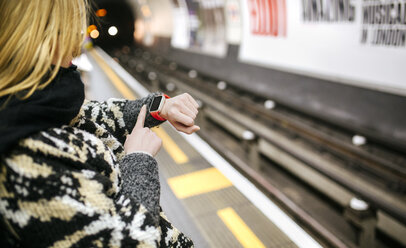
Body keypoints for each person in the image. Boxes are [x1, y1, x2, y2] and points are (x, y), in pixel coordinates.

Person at [0, 0, 199, 247]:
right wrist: (138, 160)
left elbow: (88, 116)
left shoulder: (30, 100)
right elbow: (133, 242)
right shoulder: (27, 161)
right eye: (70, 30)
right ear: (38, 38)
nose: (78, 45)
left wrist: (160, 108)